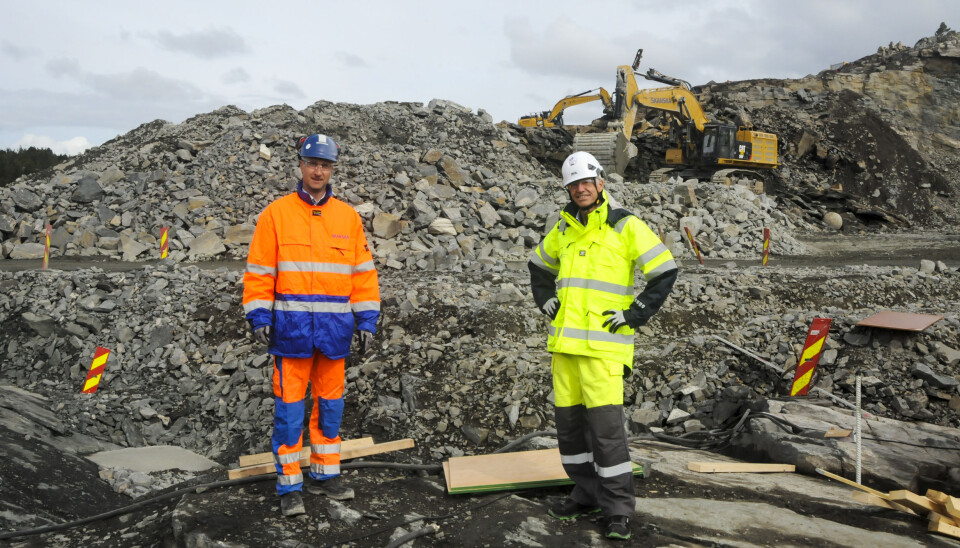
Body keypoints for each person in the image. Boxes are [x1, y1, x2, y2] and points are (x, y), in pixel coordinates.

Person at [528, 151, 678, 540]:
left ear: (600, 183)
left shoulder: (625, 225)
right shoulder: (562, 230)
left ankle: (617, 509)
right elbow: (538, 265)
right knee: (571, 434)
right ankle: (586, 492)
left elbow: (664, 270)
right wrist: (544, 297)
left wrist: (635, 313)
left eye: (585, 183)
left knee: (607, 435)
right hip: (566, 350)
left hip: (605, 352)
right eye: (573, 184)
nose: (580, 189)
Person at [242, 133, 380, 517]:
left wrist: (367, 320)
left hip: (334, 335)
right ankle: (289, 487)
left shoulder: (347, 217)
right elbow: (258, 273)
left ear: (332, 169)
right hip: (291, 333)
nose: (318, 171)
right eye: (312, 163)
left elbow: (363, 275)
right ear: (300, 165)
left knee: (330, 407)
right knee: (289, 413)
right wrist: (259, 316)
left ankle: (326, 474)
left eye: (325, 165)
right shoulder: (276, 214)